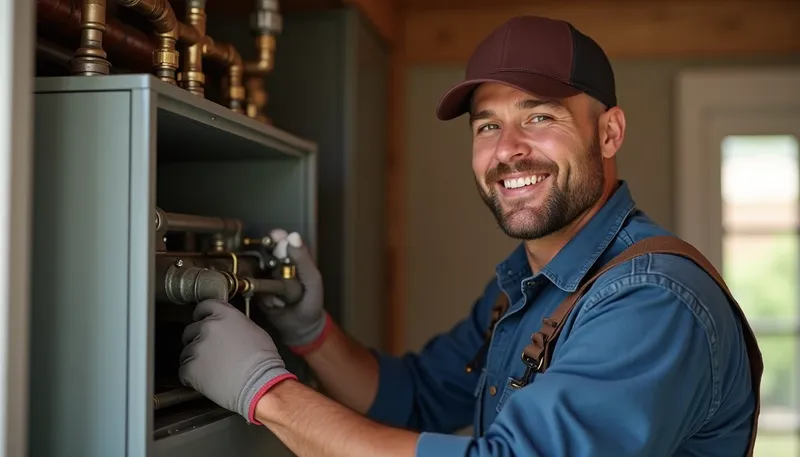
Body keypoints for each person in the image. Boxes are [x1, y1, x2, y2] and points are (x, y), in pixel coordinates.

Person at [178, 15, 761, 457]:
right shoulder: (526, 285)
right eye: (489, 125)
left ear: (609, 133)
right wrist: (311, 333)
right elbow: (415, 398)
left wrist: (266, 393)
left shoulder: (652, 300)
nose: (508, 150)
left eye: (540, 116)